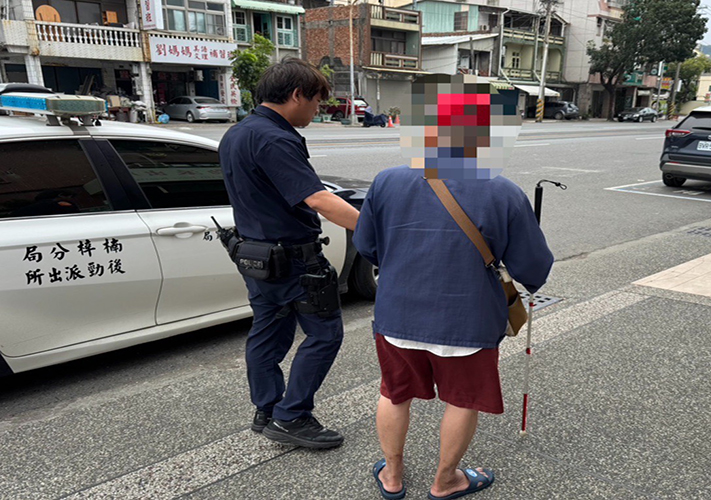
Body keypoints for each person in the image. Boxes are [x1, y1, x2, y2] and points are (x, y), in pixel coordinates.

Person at [353, 74, 554, 499]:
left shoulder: (386, 181)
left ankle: (392, 476)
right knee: (462, 399)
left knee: (394, 392)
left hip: (397, 315)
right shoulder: (503, 192)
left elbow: (368, 247)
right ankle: (446, 480)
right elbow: (533, 267)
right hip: (467, 319)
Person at [219, 58, 359, 449]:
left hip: (255, 257)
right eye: (316, 101)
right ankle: (291, 416)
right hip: (295, 260)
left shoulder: (237, 133)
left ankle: (267, 410)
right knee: (325, 334)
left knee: (267, 333)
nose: (318, 109)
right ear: (297, 95)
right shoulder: (275, 139)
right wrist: (378, 229)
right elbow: (318, 199)